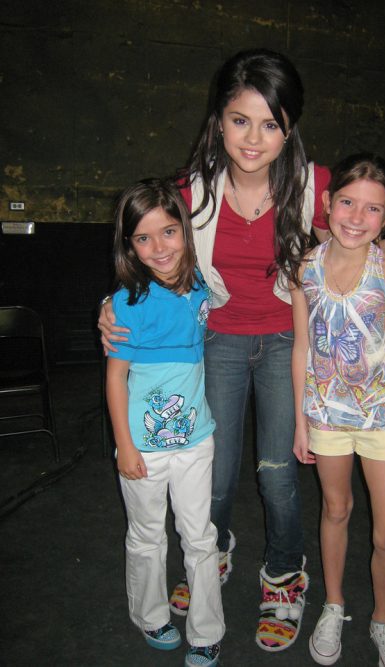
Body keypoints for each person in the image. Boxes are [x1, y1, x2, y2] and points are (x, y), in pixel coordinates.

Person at [99, 49, 385, 653]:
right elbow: (148, 249)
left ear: (289, 128)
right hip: (216, 339)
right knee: (216, 473)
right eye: (240, 120)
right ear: (218, 121)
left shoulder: (315, 186)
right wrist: (112, 305)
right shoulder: (189, 193)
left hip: (286, 342)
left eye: (270, 123)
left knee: (278, 473)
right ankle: (213, 549)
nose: (253, 139)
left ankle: (283, 574)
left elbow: (359, 225)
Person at [291, 152, 385, 666]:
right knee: (336, 509)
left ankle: (382, 621)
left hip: (383, 419)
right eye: (347, 202)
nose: (356, 217)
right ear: (326, 203)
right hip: (326, 415)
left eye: (373, 209)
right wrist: (300, 420)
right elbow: (302, 347)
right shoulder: (306, 267)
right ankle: (334, 603)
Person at [105, 178, 225, 667]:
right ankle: (151, 615)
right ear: (129, 245)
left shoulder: (201, 286)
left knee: (201, 537)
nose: (159, 248)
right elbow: (116, 380)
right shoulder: (127, 305)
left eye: (169, 232)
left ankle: (207, 630)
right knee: (147, 535)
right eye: (143, 238)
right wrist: (125, 446)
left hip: (196, 442)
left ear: (185, 231)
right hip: (143, 449)